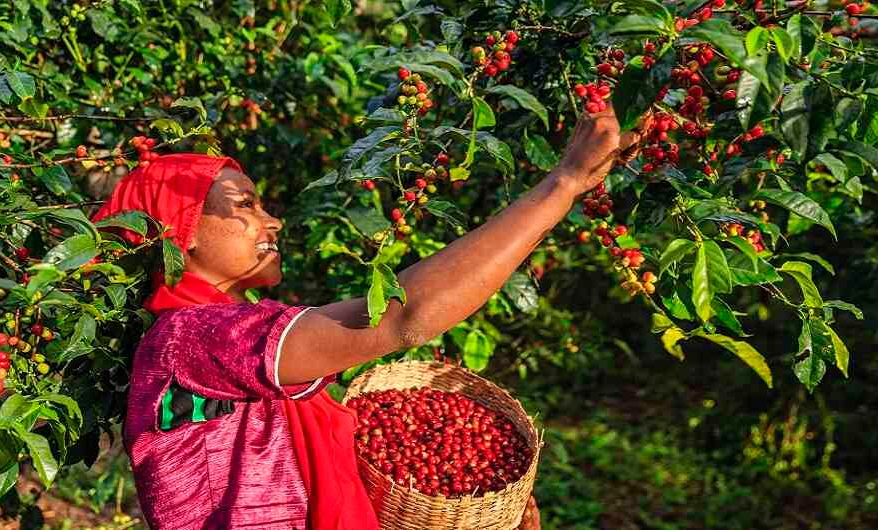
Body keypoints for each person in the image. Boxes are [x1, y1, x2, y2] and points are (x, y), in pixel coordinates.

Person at [92, 102, 646, 530]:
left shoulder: (230, 331)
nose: (272, 221)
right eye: (246, 205)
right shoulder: (190, 337)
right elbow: (407, 316)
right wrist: (563, 184)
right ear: (175, 230)